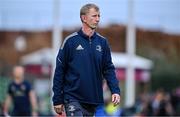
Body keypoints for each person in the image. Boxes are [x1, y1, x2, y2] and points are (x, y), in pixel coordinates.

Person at [52, 3, 121, 116]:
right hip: (72, 98)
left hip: (93, 100)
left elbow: (108, 69)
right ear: (83, 18)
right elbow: (60, 71)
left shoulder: (102, 42)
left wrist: (115, 91)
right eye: (94, 16)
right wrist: (57, 99)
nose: (97, 19)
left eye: (99, 16)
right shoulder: (70, 41)